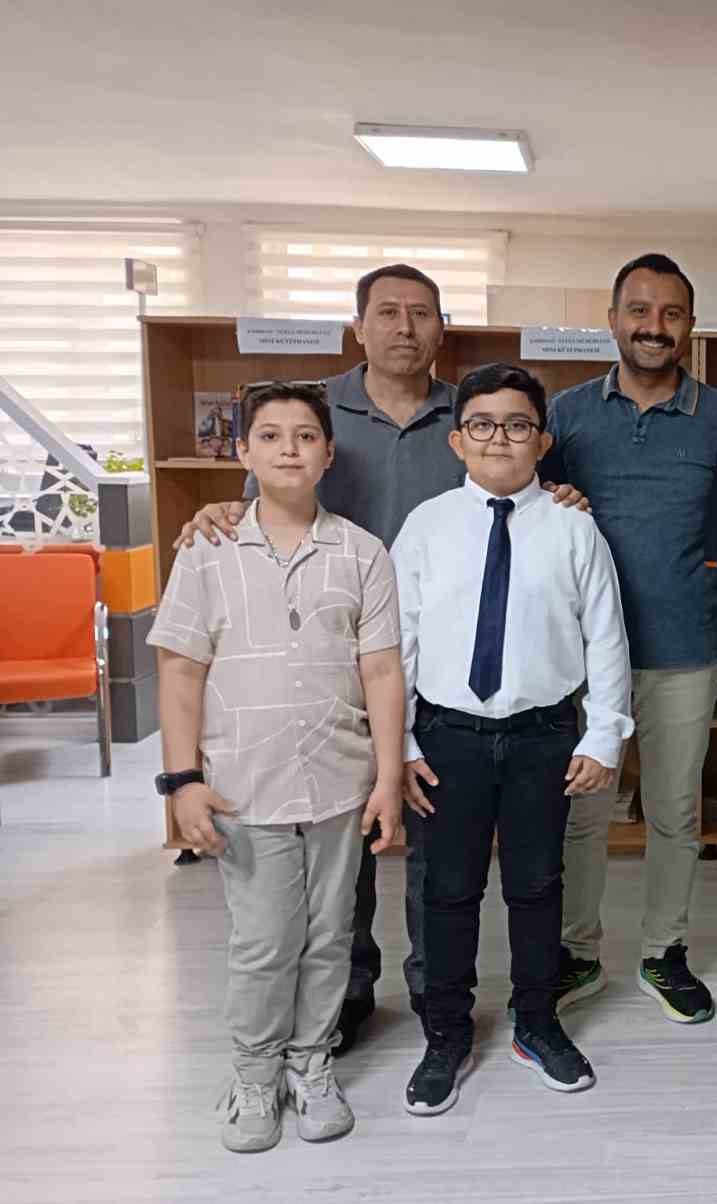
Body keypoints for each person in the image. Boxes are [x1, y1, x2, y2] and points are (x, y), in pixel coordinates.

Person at [177, 263, 585, 1056]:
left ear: (442, 329)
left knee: (428, 833)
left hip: (428, 663)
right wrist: (220, 506)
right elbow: (268, 492)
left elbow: (523, 496)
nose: (405, 327)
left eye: (422, 313)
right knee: (344, 836)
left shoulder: (471, 415)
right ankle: (349, 989)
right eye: (388, 312)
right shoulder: (319, 411)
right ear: (357, 326)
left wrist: (564, 495)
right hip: (331, 653)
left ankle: (437, 992)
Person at [148, 382, 405, 1152]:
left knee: (330, 937)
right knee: (264, 941)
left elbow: (382, 671)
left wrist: (388, 778)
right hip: (243, 786)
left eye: (304, 435)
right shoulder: (207, 550)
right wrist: (181, 782)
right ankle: (255, 1074)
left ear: (329, 453)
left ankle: (310, 1064)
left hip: (337, 782)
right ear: (243, 452)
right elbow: (180, 671)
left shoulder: (362, 553)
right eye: (269, 435)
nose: (288, 448)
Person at [392, 363, 632, 1115]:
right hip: (446, 739)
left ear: (542, 441)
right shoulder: (426, 527)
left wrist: (603, 735)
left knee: (536, 886)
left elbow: (606, 637)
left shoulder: (573, 527)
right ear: (458, 440)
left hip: (543, 738)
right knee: (448, 890)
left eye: (519, 425)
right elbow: (398, 643)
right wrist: (401, 745)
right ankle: (446, 1032)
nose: (500, 438)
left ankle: (537, 1021)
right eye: (484, 424)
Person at [542, 253, 717, 1024]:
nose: (653, 327)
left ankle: (665, 951)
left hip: (683, 647)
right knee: (583, 815)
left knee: (674, 812)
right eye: (639, 310)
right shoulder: (566, 414)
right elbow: (533, 511)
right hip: (581, 655)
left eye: (670, 313)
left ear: (690, 325)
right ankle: (577, 953)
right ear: (613, 320)